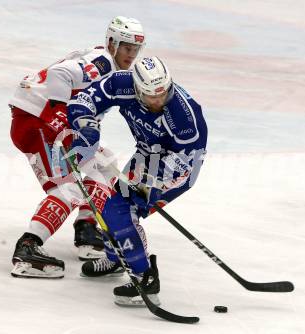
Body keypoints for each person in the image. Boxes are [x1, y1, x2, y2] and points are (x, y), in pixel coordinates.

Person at [9, 16, 145, 278]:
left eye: (135, 49)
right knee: (68, 187)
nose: (131, 55)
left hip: (44, 119)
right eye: (127, 48)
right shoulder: (102, 64)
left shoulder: (110, 66)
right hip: (36, 121)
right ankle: (28, 247)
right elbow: (61, 74)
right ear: (112, 43)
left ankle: (86, 228)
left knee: (106, 165)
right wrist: (59, 115)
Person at [66, 57, 207, 306]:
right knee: (109, 206)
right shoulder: (122, 84)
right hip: (146, 154)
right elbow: (83, 100)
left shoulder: (184, 115)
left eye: (162, 94)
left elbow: (186, 162)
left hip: (179, 165)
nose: (158, 101)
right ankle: (116, 256)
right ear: (137, 89)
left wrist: (149, 183)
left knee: (121, 209)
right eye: (150, 96)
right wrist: (86, 126)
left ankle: (145, 278)